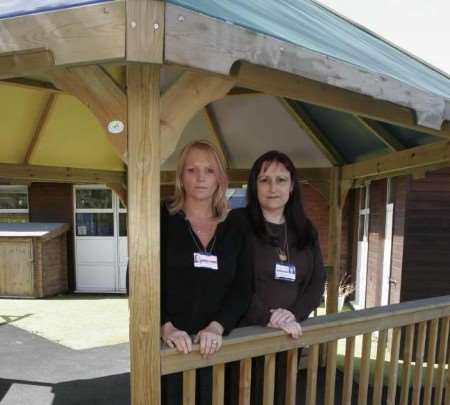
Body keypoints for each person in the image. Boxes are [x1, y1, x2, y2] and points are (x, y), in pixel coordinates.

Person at [230, 150, 326, 404]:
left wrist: (292, 314)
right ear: (254, 185)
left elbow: (317, 282)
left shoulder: (306, 229)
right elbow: (230, 280)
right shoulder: (237, 223)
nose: (273, 187)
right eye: (265, 180)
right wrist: (267, 316)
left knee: (279, 396)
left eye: (281, 180)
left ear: (292, 186)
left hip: (287, 337)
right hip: (245, 336)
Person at [160, 140, 252, 405]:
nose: (200, 178)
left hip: (218, 349)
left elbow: (243, 287)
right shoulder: (161, 219)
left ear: (220, 178)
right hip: (171, 348)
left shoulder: (236, 227)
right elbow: (139, 278)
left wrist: (217, 326)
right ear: (180, 176)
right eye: (192, 170)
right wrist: (166, 327)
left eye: (209, 170)